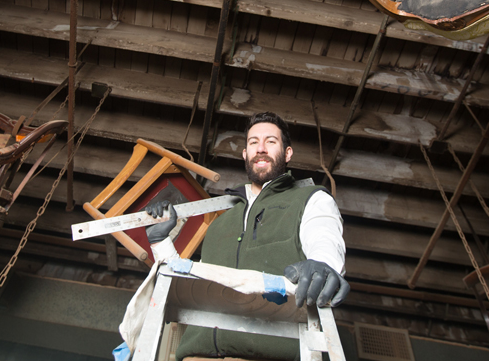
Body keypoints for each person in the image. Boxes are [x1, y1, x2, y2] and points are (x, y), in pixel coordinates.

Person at [144, 111, 349, 361]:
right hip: (196, 357)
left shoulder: (310, 199)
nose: (260, 149)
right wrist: (160, 242)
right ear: (245, 154)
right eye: (253, 142)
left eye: (271, 142)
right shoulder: (221, 221)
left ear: (288, 153)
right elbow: (184, 284)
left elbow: (324, 238)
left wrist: (324, 265)